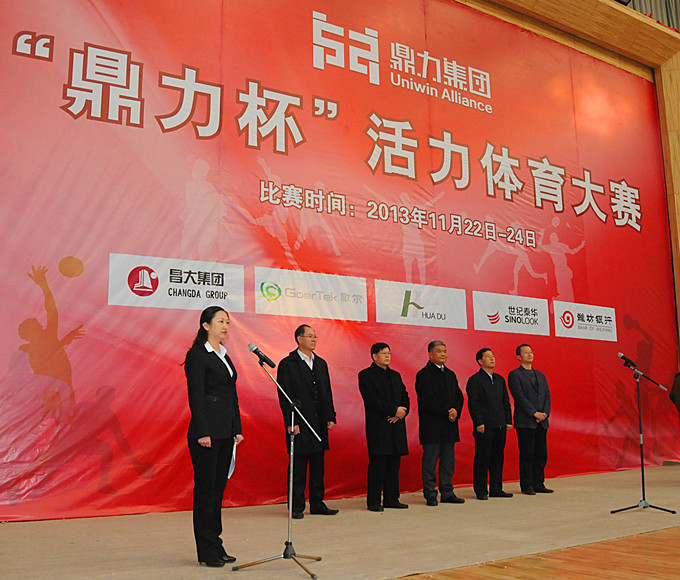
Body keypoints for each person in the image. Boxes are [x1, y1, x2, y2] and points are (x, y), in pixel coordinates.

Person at [184, 306, 244, 568]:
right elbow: (196, 396)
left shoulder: (224, 355)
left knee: (218, 492)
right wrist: (203, 431)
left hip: (225, 432)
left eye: (227, 322)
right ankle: (206, 551)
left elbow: (231, 396)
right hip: (206, 434)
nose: (225, 326)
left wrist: (236, 428)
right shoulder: (198, 355)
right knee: (206, 492)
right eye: (220, 321)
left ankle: (217, 545)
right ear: (206, 325)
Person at [277, 324, 338, 519]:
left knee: (318, 465)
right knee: (299, 465)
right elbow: (284, 395)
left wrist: (330, 416)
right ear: (299, 339)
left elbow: (327, 392)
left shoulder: (321, 363)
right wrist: (291, 421)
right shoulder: (288, 364)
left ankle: (317, 503)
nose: (314, 339)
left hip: (319, 422)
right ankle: (296, 506)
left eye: (315, 336)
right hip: (300, 422)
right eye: (310, 336)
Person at [358, 342, 410, 512]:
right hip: (379, 426)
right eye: (383, 353)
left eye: (389, 353)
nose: (388, 356)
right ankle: (374, 501)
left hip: (397, 425)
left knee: (394, 464)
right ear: (374, 356)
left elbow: (405, 396)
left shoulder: (395, 375)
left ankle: (391, 498)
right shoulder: (366, 375)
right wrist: (393, 410)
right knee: (378, 464)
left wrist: (402, 412)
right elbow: (372, 399)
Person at [415, 340, 465, 506]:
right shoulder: (423, 374)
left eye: (444, 351)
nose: (443, 354)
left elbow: (459, 396)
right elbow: (427, 399)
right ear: (430, 354)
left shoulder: (450, 374)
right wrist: (447, 411)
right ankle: (430, 493)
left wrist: (456, 411)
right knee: (430, 462)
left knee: (448, 462)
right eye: (439, 351)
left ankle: (447, 492)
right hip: (432, 425)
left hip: (450, 425)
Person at [466, 348, 513, 500]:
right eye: (488, 356)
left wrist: (508, 421)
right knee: (482, 458)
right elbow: (474, 403)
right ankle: (481, 490)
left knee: (498, 457)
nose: (492, 358)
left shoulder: (500, 379)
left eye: (493, 356)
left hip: (500, 424)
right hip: (485, 426)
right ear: (480, 361)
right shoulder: (475, 380)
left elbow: (506, 401)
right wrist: (478, 422)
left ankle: (496, 488)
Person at [508, 343, 553, 495]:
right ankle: (527, 484)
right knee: (527, 454)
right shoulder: (515, 375)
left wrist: (545, 413)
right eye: (526, 352)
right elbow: (519, 397)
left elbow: (547, 395)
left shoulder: (540, 375)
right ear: (519, 357)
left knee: (541, 454)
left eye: (531, 352)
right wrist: (534, 413)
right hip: (525, 421)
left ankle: (539, 483)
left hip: (542, 421)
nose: (529, 354)